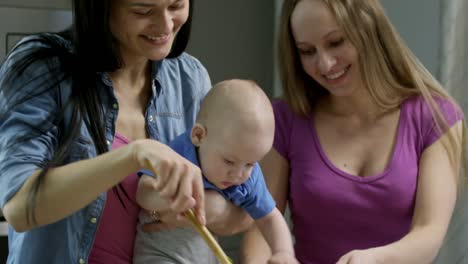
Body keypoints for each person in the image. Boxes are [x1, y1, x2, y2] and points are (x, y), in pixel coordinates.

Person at [0, 1, 251, 263]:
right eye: (143, 11)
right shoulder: (44, 67)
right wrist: (134, 155)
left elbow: (248, 209)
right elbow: (19, 207)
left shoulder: (190, 79)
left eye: (176, 5)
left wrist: (211, 209)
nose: (166, 25)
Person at [240, 0, 467, 263]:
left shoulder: (436, 116)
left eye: (336, 42)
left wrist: (373, 259)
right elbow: (262, 226)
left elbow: (429, 234)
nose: (324, 64)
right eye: (307, 51)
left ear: (369, 29)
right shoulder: (283, 119)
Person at [134, 79, 298, 264]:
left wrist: (283, 252)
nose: (238, 174)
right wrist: (171, 199)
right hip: (160, 256)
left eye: (250, 164)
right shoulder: (179, 155)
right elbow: (143, 192)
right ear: (198, 135)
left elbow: (270, 217)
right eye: (229, 161)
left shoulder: (248, 176)